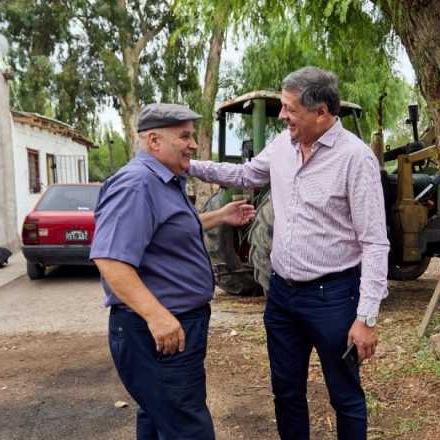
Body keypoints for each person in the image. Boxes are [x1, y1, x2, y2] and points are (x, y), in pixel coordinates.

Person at [189, 66, 389, 440]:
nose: (282, 116)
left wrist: (366, 318)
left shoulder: (355, 159)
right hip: (281, 296)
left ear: (322, 112)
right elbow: (246, 175)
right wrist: (188, 165)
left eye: (289, 108)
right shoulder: (283, 145)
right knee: (286, 392)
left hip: (332, 298)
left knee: (345, 397)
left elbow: (375, 242)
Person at [90, 103, 256, 440]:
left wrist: (219, 216)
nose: (193, 145)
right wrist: (157, 317)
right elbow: (110, 260)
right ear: (154, 141)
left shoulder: (164, 180)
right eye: (184, 137)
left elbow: (166, 230)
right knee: (187, 426)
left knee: (158, 417)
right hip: (159, 331)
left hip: (175, 326)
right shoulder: (136, 184)